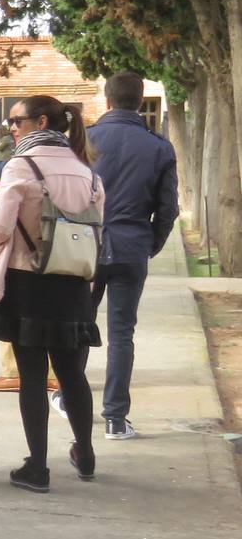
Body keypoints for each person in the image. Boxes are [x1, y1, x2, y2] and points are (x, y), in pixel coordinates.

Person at [0, 94, 104, 493]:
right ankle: (87, 454)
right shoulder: (87, 172)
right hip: (75, 283)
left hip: (29, 282)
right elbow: (97, 228)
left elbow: (1, 231)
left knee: (32, 377)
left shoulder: (20, 167)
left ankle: (38, 468)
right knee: (72, 374)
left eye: (15, 121)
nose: (10, 127)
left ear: (40, 122)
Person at [86, 71, 179, 440]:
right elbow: (167, 207)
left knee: (79, 324)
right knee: (122, 332)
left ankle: (67, 396)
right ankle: (114, 416)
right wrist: (151, 242)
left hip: (86, 245)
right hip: (131, 244)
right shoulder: (157, 146)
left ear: (107, 100)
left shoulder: (87, 138)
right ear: (140, 102)